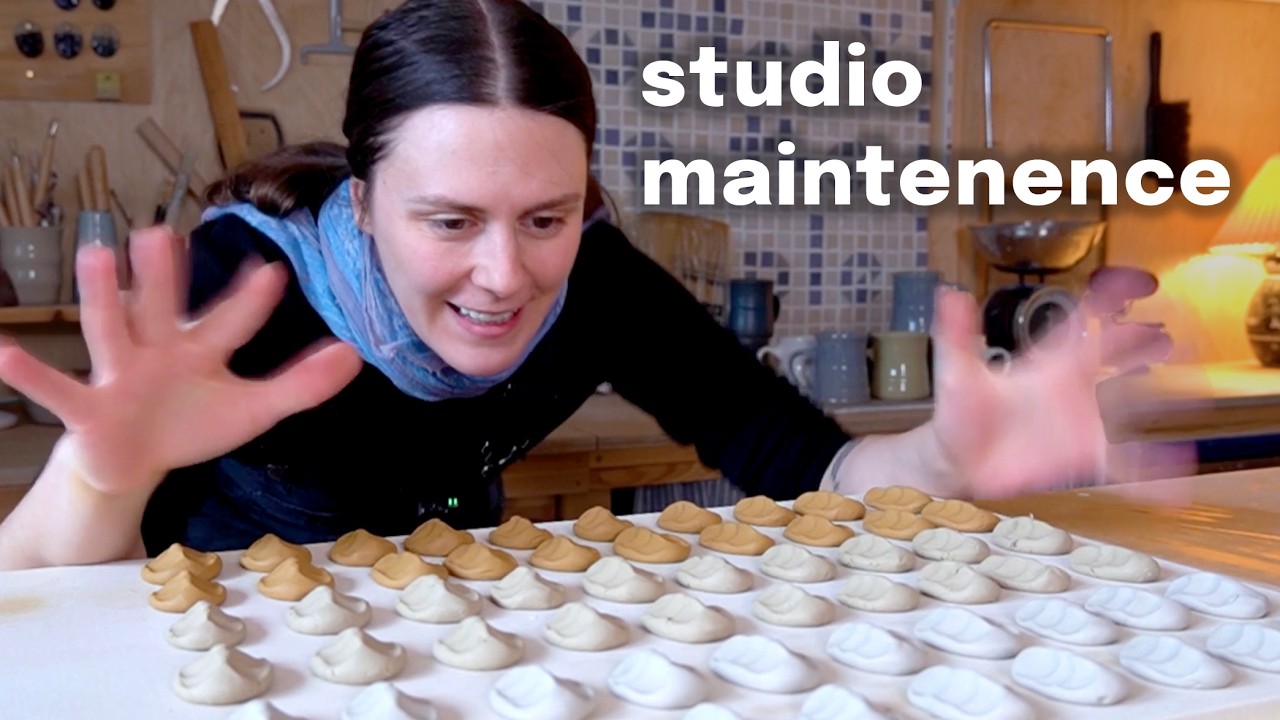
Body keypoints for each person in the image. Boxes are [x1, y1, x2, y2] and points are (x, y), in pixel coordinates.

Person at [0, 0, 1176, 571]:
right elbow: (42, 596)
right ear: (361, 203)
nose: (504, 276)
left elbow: (811, 469)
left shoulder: (596, 283)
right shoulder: (241, 289)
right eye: (449, 221)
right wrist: (102, 473)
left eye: (546, 218)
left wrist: (942, 457)